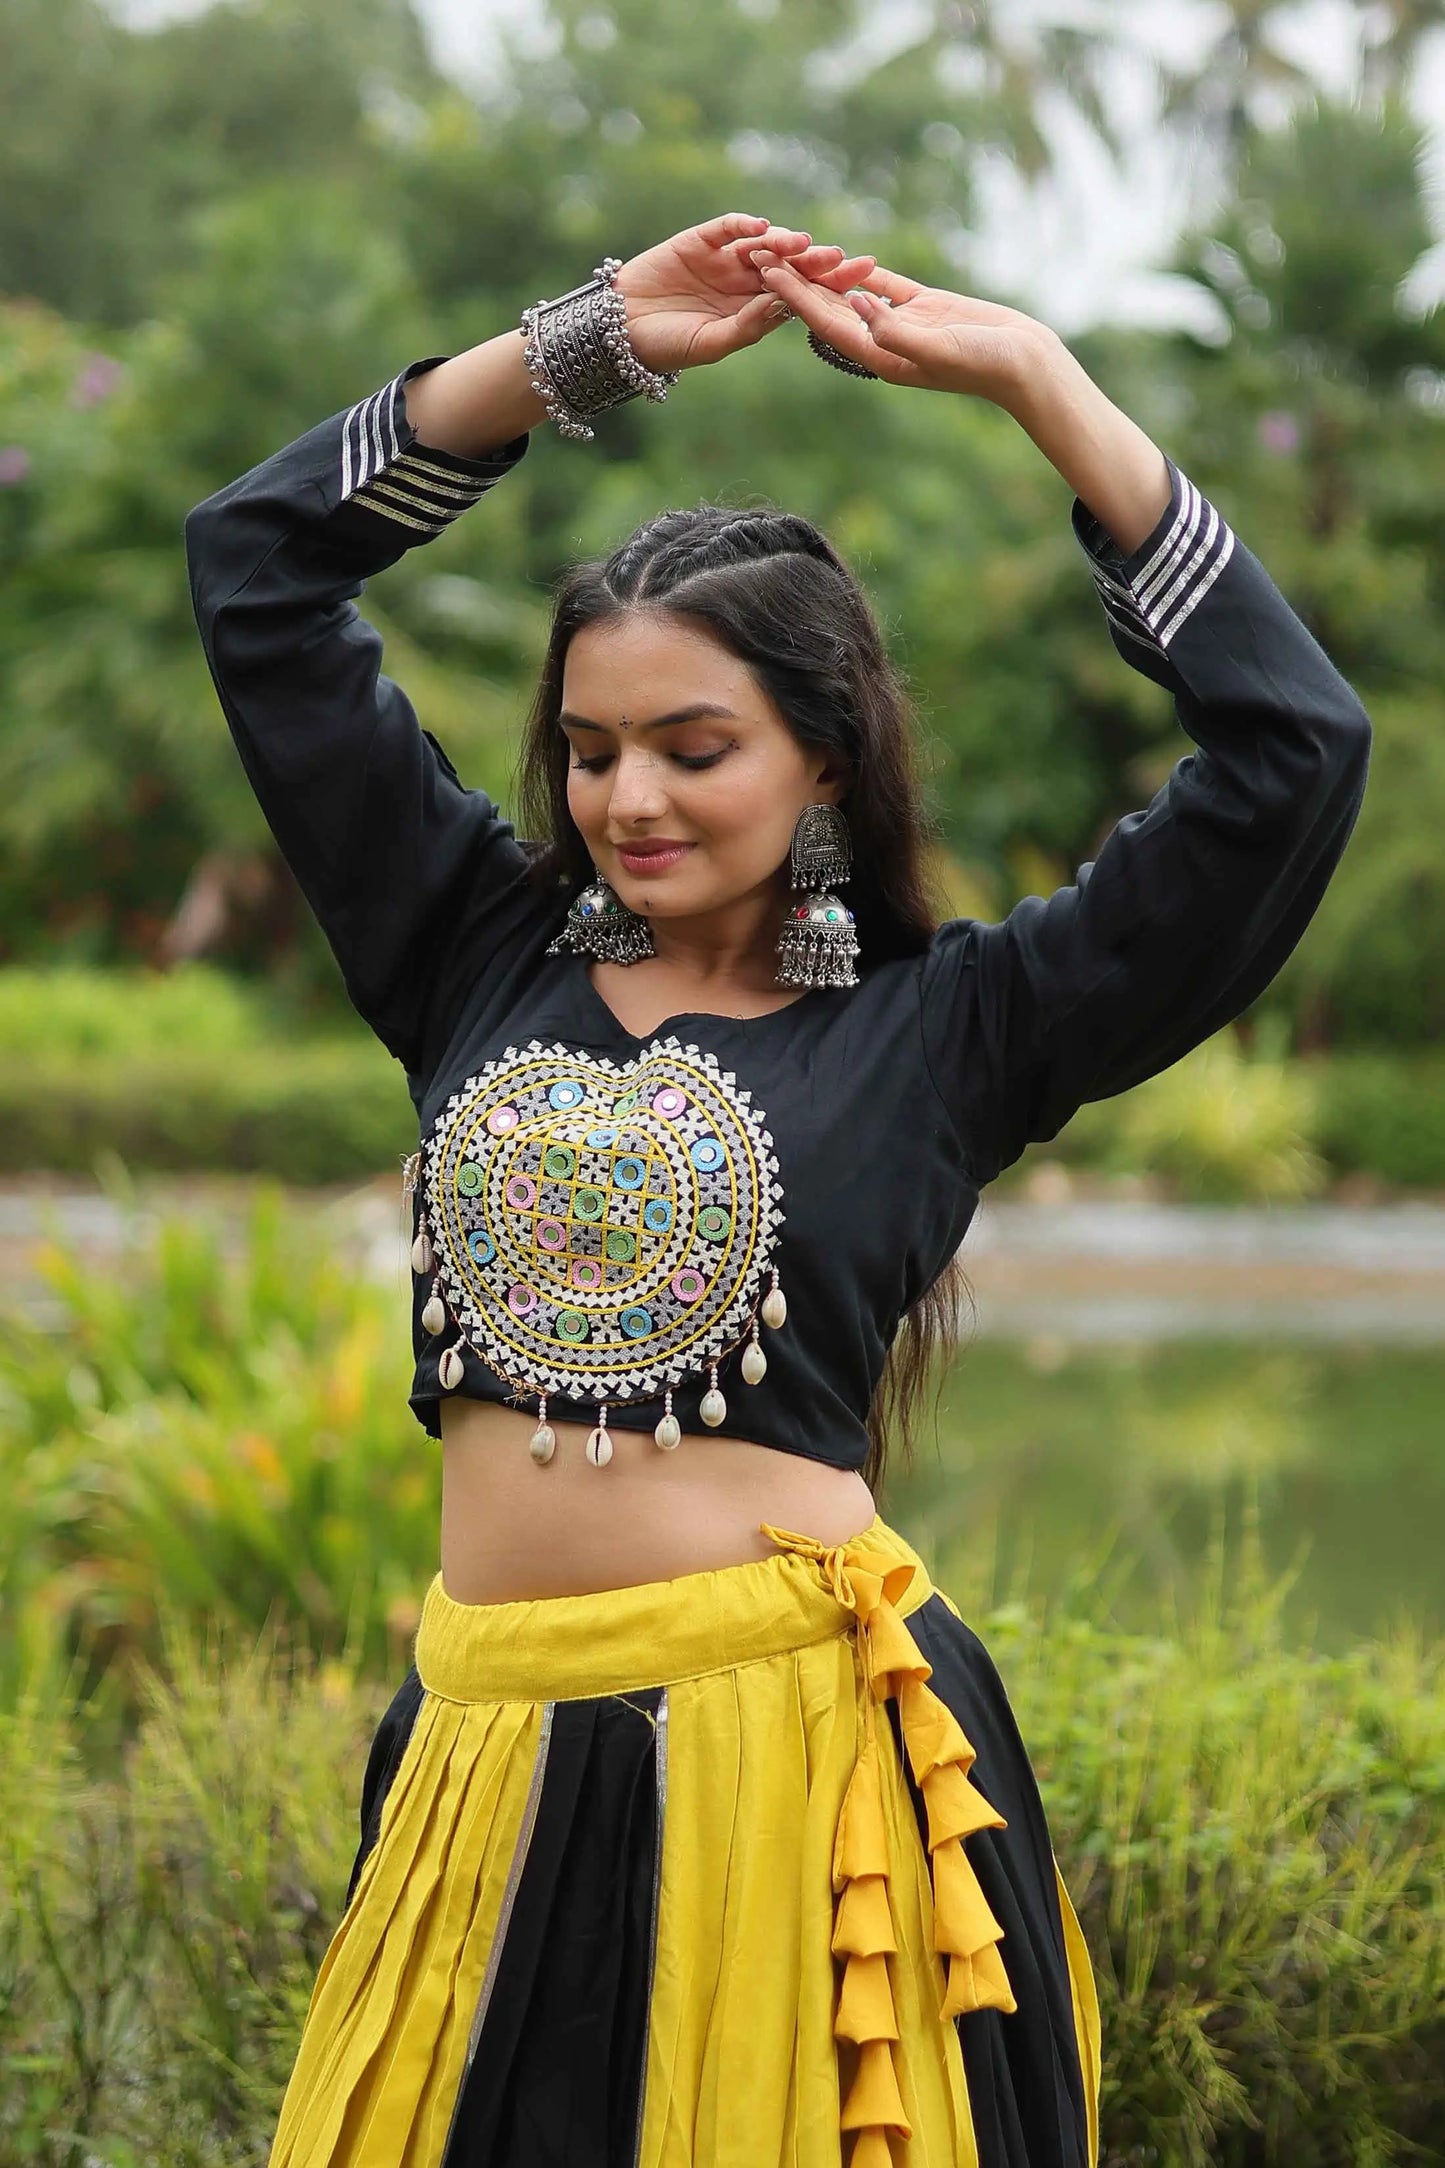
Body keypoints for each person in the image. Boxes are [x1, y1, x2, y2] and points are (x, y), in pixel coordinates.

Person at [183, 212, 1371, 2168]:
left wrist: (1039, 384)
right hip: (481, 1765)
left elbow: (1294, 751)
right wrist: (578, 346)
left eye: (692, 747)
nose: (628, 800)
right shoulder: (469, 952)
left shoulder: (957, 1027)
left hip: (794, 1778)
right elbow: (256, 566)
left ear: (823, 760)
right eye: (589, 752)